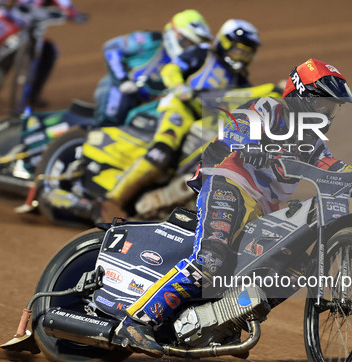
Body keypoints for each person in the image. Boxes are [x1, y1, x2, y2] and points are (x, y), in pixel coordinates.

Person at [113, 58, 352, 357]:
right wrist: (251, 145)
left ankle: (225, 321)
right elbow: (235, 128)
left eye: (332, 108)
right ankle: (136, 321)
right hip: (229, 184)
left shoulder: (313, 140)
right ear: (303, 96)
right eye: (324, 104)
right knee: (211, 260)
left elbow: (335, 171)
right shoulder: (269, 108)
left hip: (264, 207)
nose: (328, 113)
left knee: (291, 270)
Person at [101, 18, 261, 219]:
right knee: (161, 153)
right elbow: (171, 68)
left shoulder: (240, 81)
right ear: (225, 43)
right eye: (239, 50)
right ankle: (112, 201)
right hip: (180, 106)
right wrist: (179, 87)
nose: (242, 56)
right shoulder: (203, 54)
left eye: (247, 52)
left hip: (203, 121)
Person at [93, 9, 212, 126]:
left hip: (138, 101)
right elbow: (111, 48)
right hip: (116, 90)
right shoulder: (152, 40)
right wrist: (122, 80)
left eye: (193, 45)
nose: (189, 48)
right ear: (177, 33)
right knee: (109, 123)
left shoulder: (184, 62)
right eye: (189, 42)